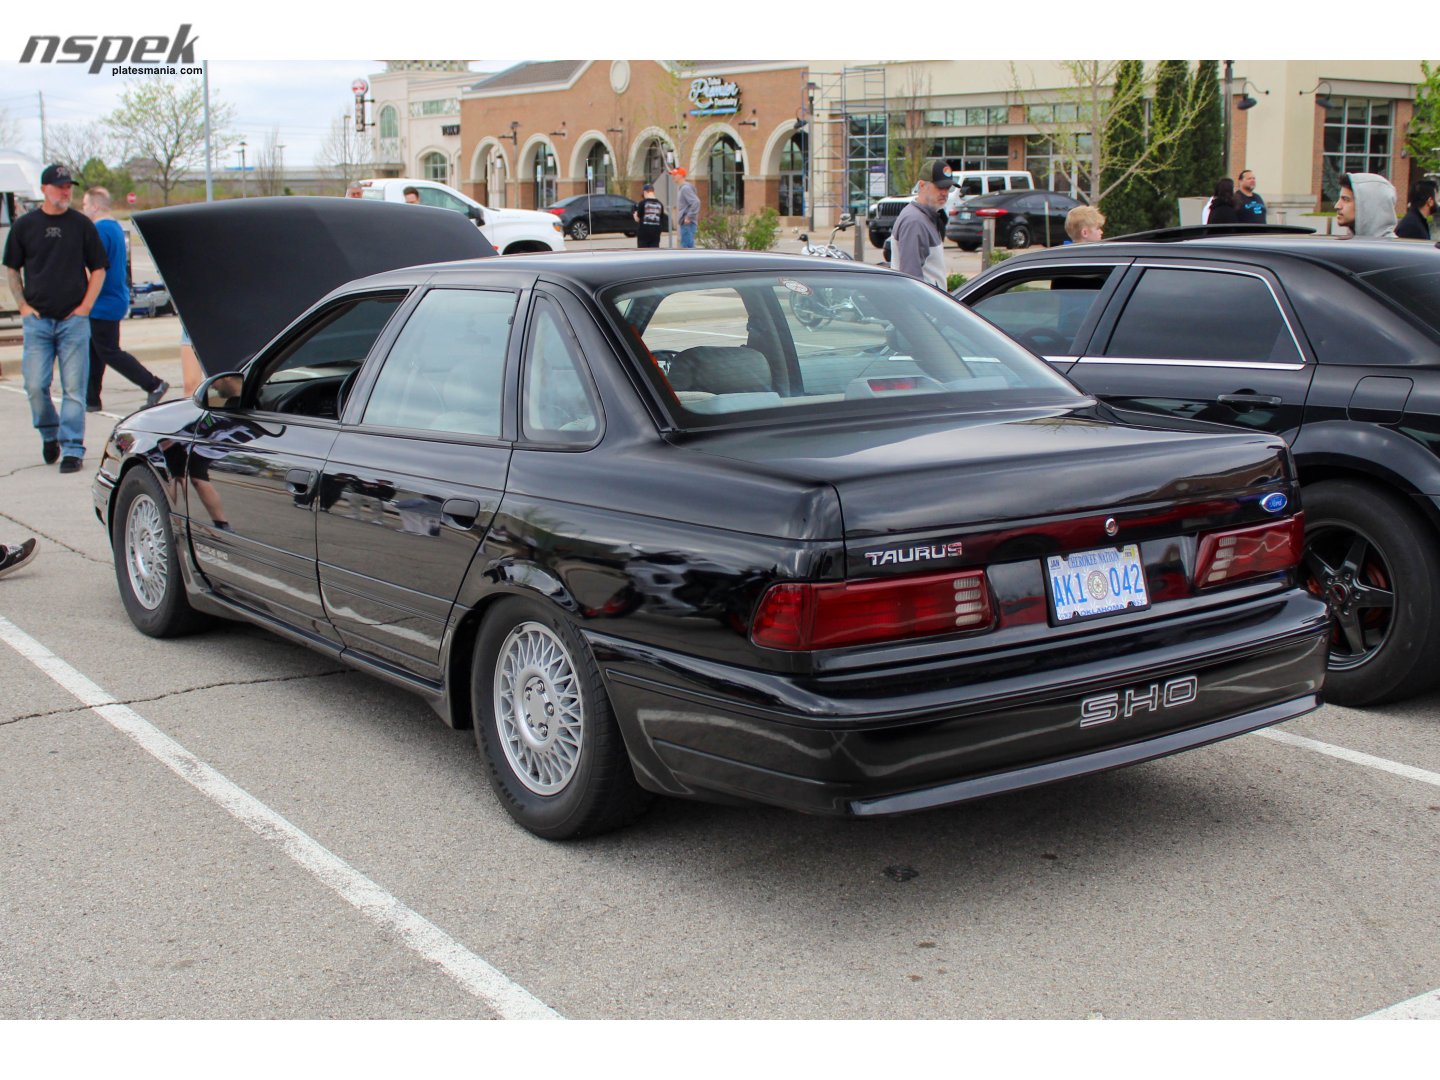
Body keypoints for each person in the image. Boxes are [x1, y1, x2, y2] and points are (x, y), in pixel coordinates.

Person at [2, 163, 107, 475]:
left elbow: (99, 268)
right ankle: (50, 433)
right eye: (60, 186)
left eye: (69, 186)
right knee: (35, 385)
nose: (66, 191)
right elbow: (11, 267)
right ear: (44, 188)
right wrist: (21, 305)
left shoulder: (81, 225)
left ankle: (73, 447)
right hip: (38, 321)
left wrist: (85, 306)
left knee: (74, 387)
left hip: (73, 320)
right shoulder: (25, 226)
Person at [81, 186, 168, 413]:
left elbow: (94, 267)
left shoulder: (99, 230)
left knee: (108, 350)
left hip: (103, 300)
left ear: (95, 206)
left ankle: (153, 383)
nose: (83, 209)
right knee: (96, 350)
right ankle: (91, 399)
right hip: (113, 297)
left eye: (85, 205)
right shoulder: (115, 227)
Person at [892, 158, 951, 288]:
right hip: (923, 305)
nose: (944, 193)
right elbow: (910, 280)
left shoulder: (926, 217)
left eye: (948, 188)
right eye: (940, 187)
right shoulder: (915, 221)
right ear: (922, 185)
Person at [1335, 172, 1398, 238]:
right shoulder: (1359, 243)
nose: (1337, 206)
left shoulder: (1389, 247)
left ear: (1370, 205)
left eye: (1345, 199)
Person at [633, 182, 664, 248]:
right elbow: (661, 218)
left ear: (645, 192)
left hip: (644, 232)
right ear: (653, 192)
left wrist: (635, 215)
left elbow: (638, 218)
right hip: (656, 232)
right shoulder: (660, 204)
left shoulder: (642, 203)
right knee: (654, 251)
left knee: (643, 252)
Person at [674, 169, 700, 248]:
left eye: (675, 174)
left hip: (688, 224)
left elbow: (696, 202)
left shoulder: (685, 188)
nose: (673, 176)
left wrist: (688, 217)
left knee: (687, 249)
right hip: (686, 224)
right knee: (687, 248)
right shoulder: (683, 188)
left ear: (681, 175)